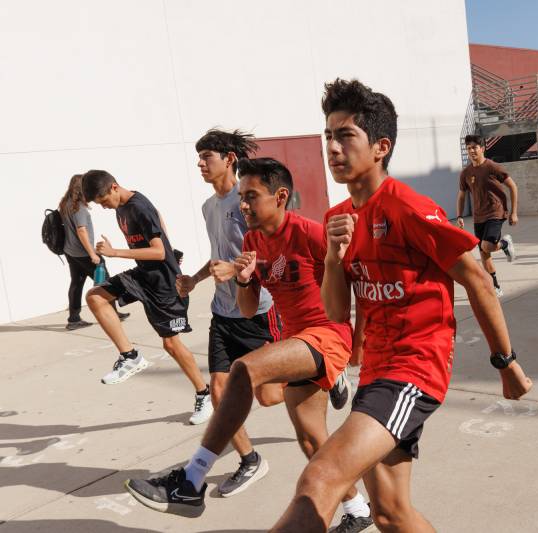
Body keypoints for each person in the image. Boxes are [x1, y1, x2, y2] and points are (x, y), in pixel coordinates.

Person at [268, 78, 532, 533]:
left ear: (380, 146)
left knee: (323, 475)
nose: (332, 147)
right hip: (377, 373)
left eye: (345, 135)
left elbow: (478, 281)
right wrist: (332, 259)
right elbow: (336, 315)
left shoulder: (409, 207)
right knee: (391, 513)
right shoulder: (337, 219)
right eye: (328, 136)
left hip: (415, 368)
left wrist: (506, 362)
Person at [124, 158, 374, 532]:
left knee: (245, 369)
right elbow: (248, 308)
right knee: (309, 439)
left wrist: (358, 346)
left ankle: (192, 480)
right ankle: (357, 509)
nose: (243, 205)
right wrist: (244, 279)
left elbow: (360, 284)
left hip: (327, 335)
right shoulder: (253, 240)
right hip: (295, 341)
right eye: (242, 197)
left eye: (251, 196)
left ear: (281, 197)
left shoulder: (310, 233)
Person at [172, 128, 286, 496]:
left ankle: (325, 376)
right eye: (199, 157)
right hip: (223, 313)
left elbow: (272, 254)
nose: (200, 164)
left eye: (208, 156)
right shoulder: (209, 207)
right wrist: (197, 279)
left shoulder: (247, 203)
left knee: (268, 396)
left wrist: (238, 271)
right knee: (221, 392)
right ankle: (250, 460)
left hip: (257, 310)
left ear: (229, 159)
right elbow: (220, 255)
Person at [81, 170, 212, 425]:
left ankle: (203, 394)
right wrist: (172, 249)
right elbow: (160, 224)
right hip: (143, 275)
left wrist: (115, 252)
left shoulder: (138, 206)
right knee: (95, 297)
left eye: (103, 201)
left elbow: (159, 251)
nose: (104, 207)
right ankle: (130, 357)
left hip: (165, 285)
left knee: (171, 345)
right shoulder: (123, 208)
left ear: (114, 187)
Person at [59, 173, 129, 330]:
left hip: (70, 252)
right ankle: (112, 312)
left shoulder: (66, 204)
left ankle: (73, 318)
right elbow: (81, 231)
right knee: (106, 280)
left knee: (76, 284)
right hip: (84, 253)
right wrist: (92, 254)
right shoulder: (79, 208)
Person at [456, 134, 518, 297]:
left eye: (475, 147)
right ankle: (495, 286)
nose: (472, 151)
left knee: (487, 246)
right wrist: (460, 215)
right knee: (484, 255)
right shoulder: (466, 173)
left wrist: (514, 212)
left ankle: (504, 243)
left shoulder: (492, 167)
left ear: (482, 149)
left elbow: (512, 186)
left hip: (495, 212)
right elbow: (462, 195)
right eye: (469, 148)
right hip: (479, 216)